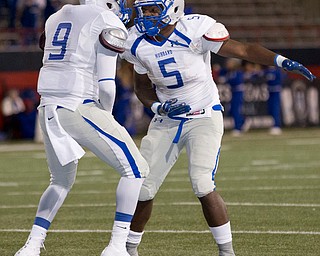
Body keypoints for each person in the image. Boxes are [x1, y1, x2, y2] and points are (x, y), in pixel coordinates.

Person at [120, 0, 316, 256]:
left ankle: (226, 251)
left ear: (174, 8)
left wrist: (281, 61)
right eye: (145, 10)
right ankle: (129, 249)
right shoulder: (135, 42)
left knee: (202, 184)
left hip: (203, 116)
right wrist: (158, 108)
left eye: (154, 10)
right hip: (166, 121)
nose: (147, 16)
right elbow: (142, 87)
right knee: (143, 187)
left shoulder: (194, 30)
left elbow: (244, 50)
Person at [14, 1, 149, 256]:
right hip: (79, 104)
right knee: (136, 170)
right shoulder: (106, 19)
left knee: (60, 181)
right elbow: (107, 85)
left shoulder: (56, 16)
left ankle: (31, 245)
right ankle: (117, 246)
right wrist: (105, 116)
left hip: (48, 108)